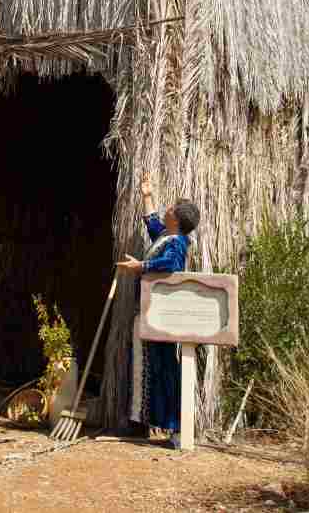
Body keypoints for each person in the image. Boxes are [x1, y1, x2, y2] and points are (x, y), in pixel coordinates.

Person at [117, 177, 200, 449]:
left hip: (160, 317)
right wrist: (147, 195)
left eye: (170, 209)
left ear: (175, 218)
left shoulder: (177, 243)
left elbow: (170, 264)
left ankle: (175, 427)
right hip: (149, 314)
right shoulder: (167, 236)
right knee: (143, 367)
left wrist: (141, 265)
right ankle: (141, 421)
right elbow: (153, 225)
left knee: (164, 369)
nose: (166, 210)